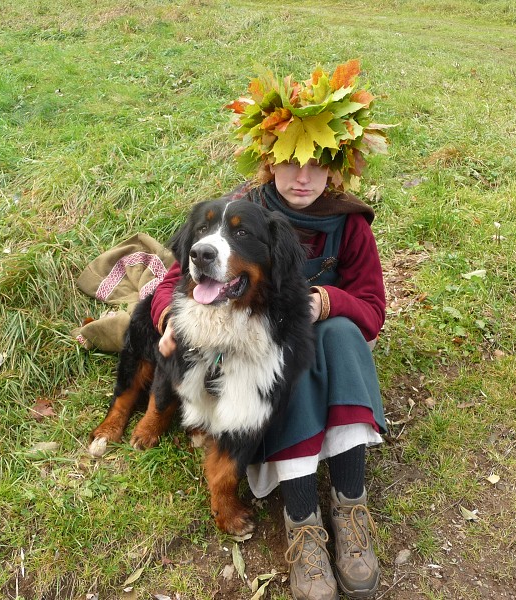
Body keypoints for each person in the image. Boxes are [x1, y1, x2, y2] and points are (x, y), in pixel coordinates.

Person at [151, 59, 391, 600]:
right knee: (284, 355)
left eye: (316, 163)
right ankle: (303, 521)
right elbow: (175, 278)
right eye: (289, 161)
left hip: (316, 334)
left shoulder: (349, 224)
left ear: (336, 166)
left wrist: (327, 300)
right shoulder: (243, 210)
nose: (301, 177)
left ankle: (350, 509)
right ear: (269, 160)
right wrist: (166, 318)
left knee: (342, 334)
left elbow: (374, 308)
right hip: (249, 362)